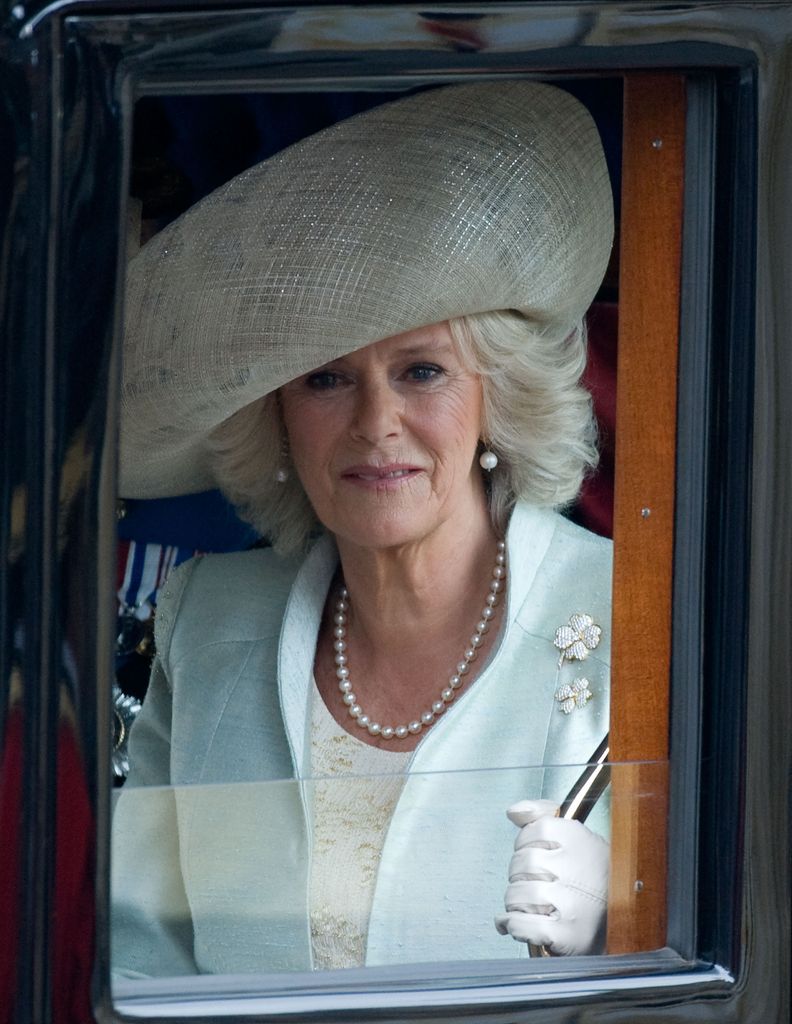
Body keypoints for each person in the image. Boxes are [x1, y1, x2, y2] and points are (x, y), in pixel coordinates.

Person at [111, 80, 614, 978]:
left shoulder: (634, 618)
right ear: (274, 419)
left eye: (421, 371)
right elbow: (140, 947)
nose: (377, 423)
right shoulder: (204, 619)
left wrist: (627, 926)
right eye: (326, 380)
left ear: (496, 396)